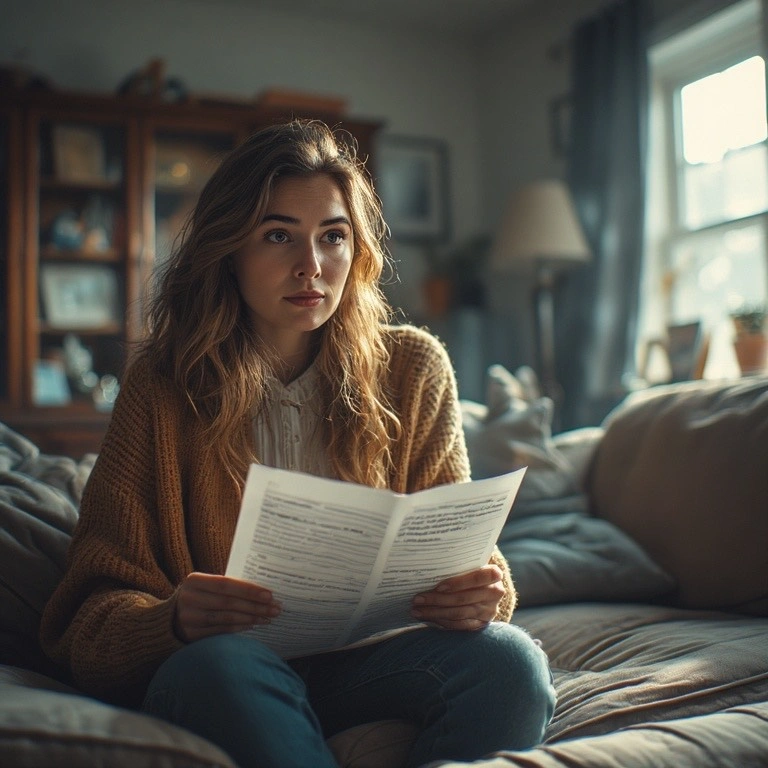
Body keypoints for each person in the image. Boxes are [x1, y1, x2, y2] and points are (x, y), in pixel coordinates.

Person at [40, 119, 555, 768]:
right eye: (278, 235)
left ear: (356, 250)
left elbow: (465, 553)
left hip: (370, 663)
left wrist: (482, 594)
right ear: (228, 249)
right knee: (221, 667)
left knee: (509, 663)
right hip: (226, 667)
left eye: (333, 237)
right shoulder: (162, 388)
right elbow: (88, 617)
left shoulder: (413, 369)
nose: (311, 266)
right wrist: (171, 619)